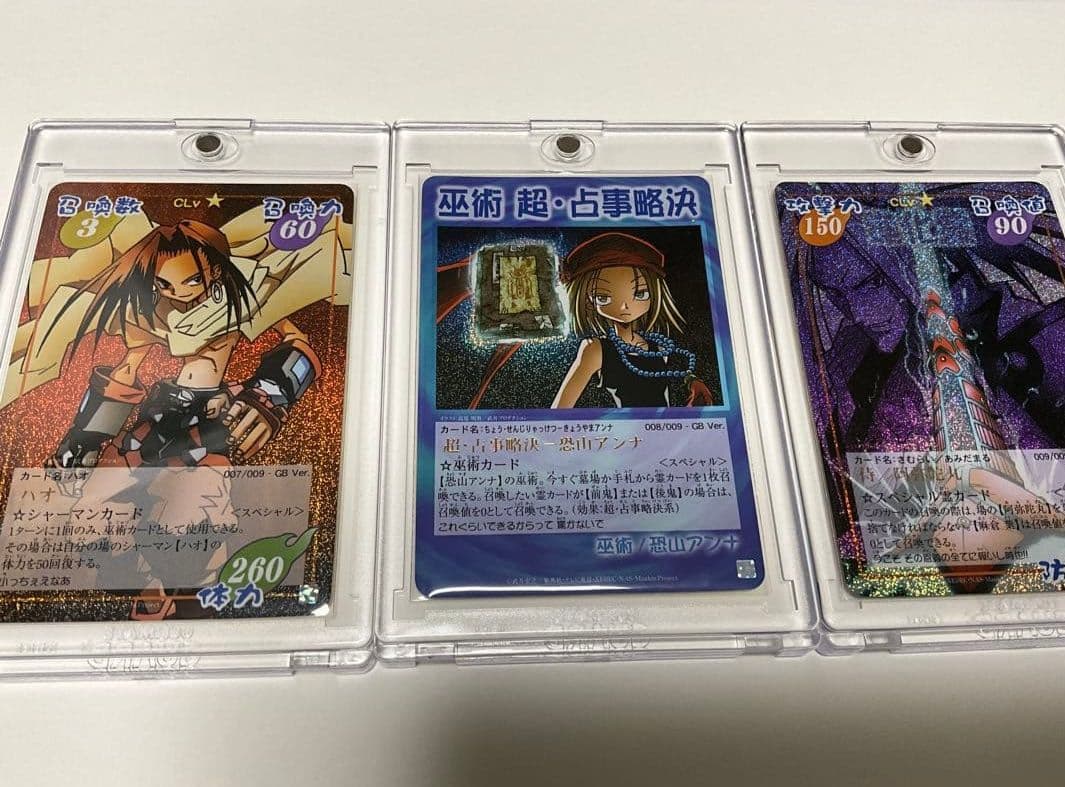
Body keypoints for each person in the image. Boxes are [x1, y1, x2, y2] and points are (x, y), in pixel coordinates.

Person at [551, 232, 711, 409]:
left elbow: (674, 377)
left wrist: (692, 381)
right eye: (603, 297)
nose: (624, 307)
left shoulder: (658, 347)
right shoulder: (595, 349)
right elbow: (559, 411)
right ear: (588, 300)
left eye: (640, 293)